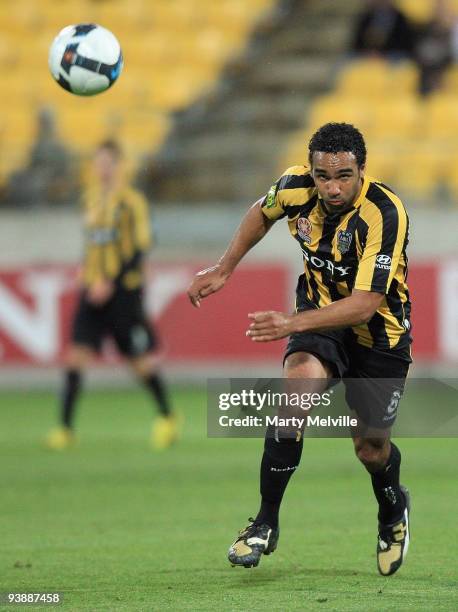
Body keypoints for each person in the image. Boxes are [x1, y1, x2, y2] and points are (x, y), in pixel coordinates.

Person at [187, 123, 412, 576]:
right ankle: (263, 524)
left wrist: (289, 323)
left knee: (370, 448)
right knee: (292, 403)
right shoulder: (294, 186)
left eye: (343, 176)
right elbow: (261, 212)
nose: (331, 187)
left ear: (362, 170)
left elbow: (366, 304)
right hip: (319, 320)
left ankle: (393, 512)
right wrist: (225, 267)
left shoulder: (384, 213)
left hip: (379, 335)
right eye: (322, 176)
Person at [46, 139, 179, 451]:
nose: (103, 168)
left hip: (122, 292)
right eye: (98, 162)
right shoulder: (90, 200)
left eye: (109, 162)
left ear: (120, 166)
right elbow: (95, 244)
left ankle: (167, 416)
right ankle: (64, 430)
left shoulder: (132, 202)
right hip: (92, 290)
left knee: (138, 361)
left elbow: (140, 247)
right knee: (75, 356)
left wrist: (111, 282)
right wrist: (87, 271)